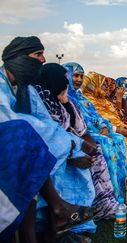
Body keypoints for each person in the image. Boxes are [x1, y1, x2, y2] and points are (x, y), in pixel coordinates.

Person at [0, 36, 95, 242]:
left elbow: (47, 123)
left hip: (23, 146)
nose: (43, 60)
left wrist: (74, 146)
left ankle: (54, 227)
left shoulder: (27, 89)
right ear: (17, 58)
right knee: (26, 138)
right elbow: (12, 122)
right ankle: (57, 212)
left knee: (46, 152)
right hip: (9, 145)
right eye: (38, 54)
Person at [36, 63, 119, 221]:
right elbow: (50, 135)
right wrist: (73, 154)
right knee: (99, 148)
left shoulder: (68, 101)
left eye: (80, 76)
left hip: (72, 145)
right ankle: (73, 216)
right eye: (69, 77)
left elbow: (80, 128)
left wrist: (66, 102)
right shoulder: (41, 103)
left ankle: (104, 203)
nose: (67, 83)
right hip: (55, 153)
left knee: (98, 151)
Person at [63, 62, 127, 204]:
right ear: (67, 75)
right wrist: (101, 130)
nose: (79, 80)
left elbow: (96, 116)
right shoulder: (66, 97)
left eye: (81, 76)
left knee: (118, 139)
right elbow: (79, 122)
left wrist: (104, 126)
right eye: (75, 76)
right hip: (80, 134)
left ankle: (124, 190)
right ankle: (109, 197)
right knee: (106, 142)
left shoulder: (82, 98)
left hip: (97, 130)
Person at [82, 72, 127, 168]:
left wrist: (123, 98)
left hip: (120, 125)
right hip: (108, 129)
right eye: (103, 84)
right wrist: (120, 99)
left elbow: (120, 114)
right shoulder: (88, 100)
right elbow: (117, 115)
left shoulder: (103, 100)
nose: (106, 87)